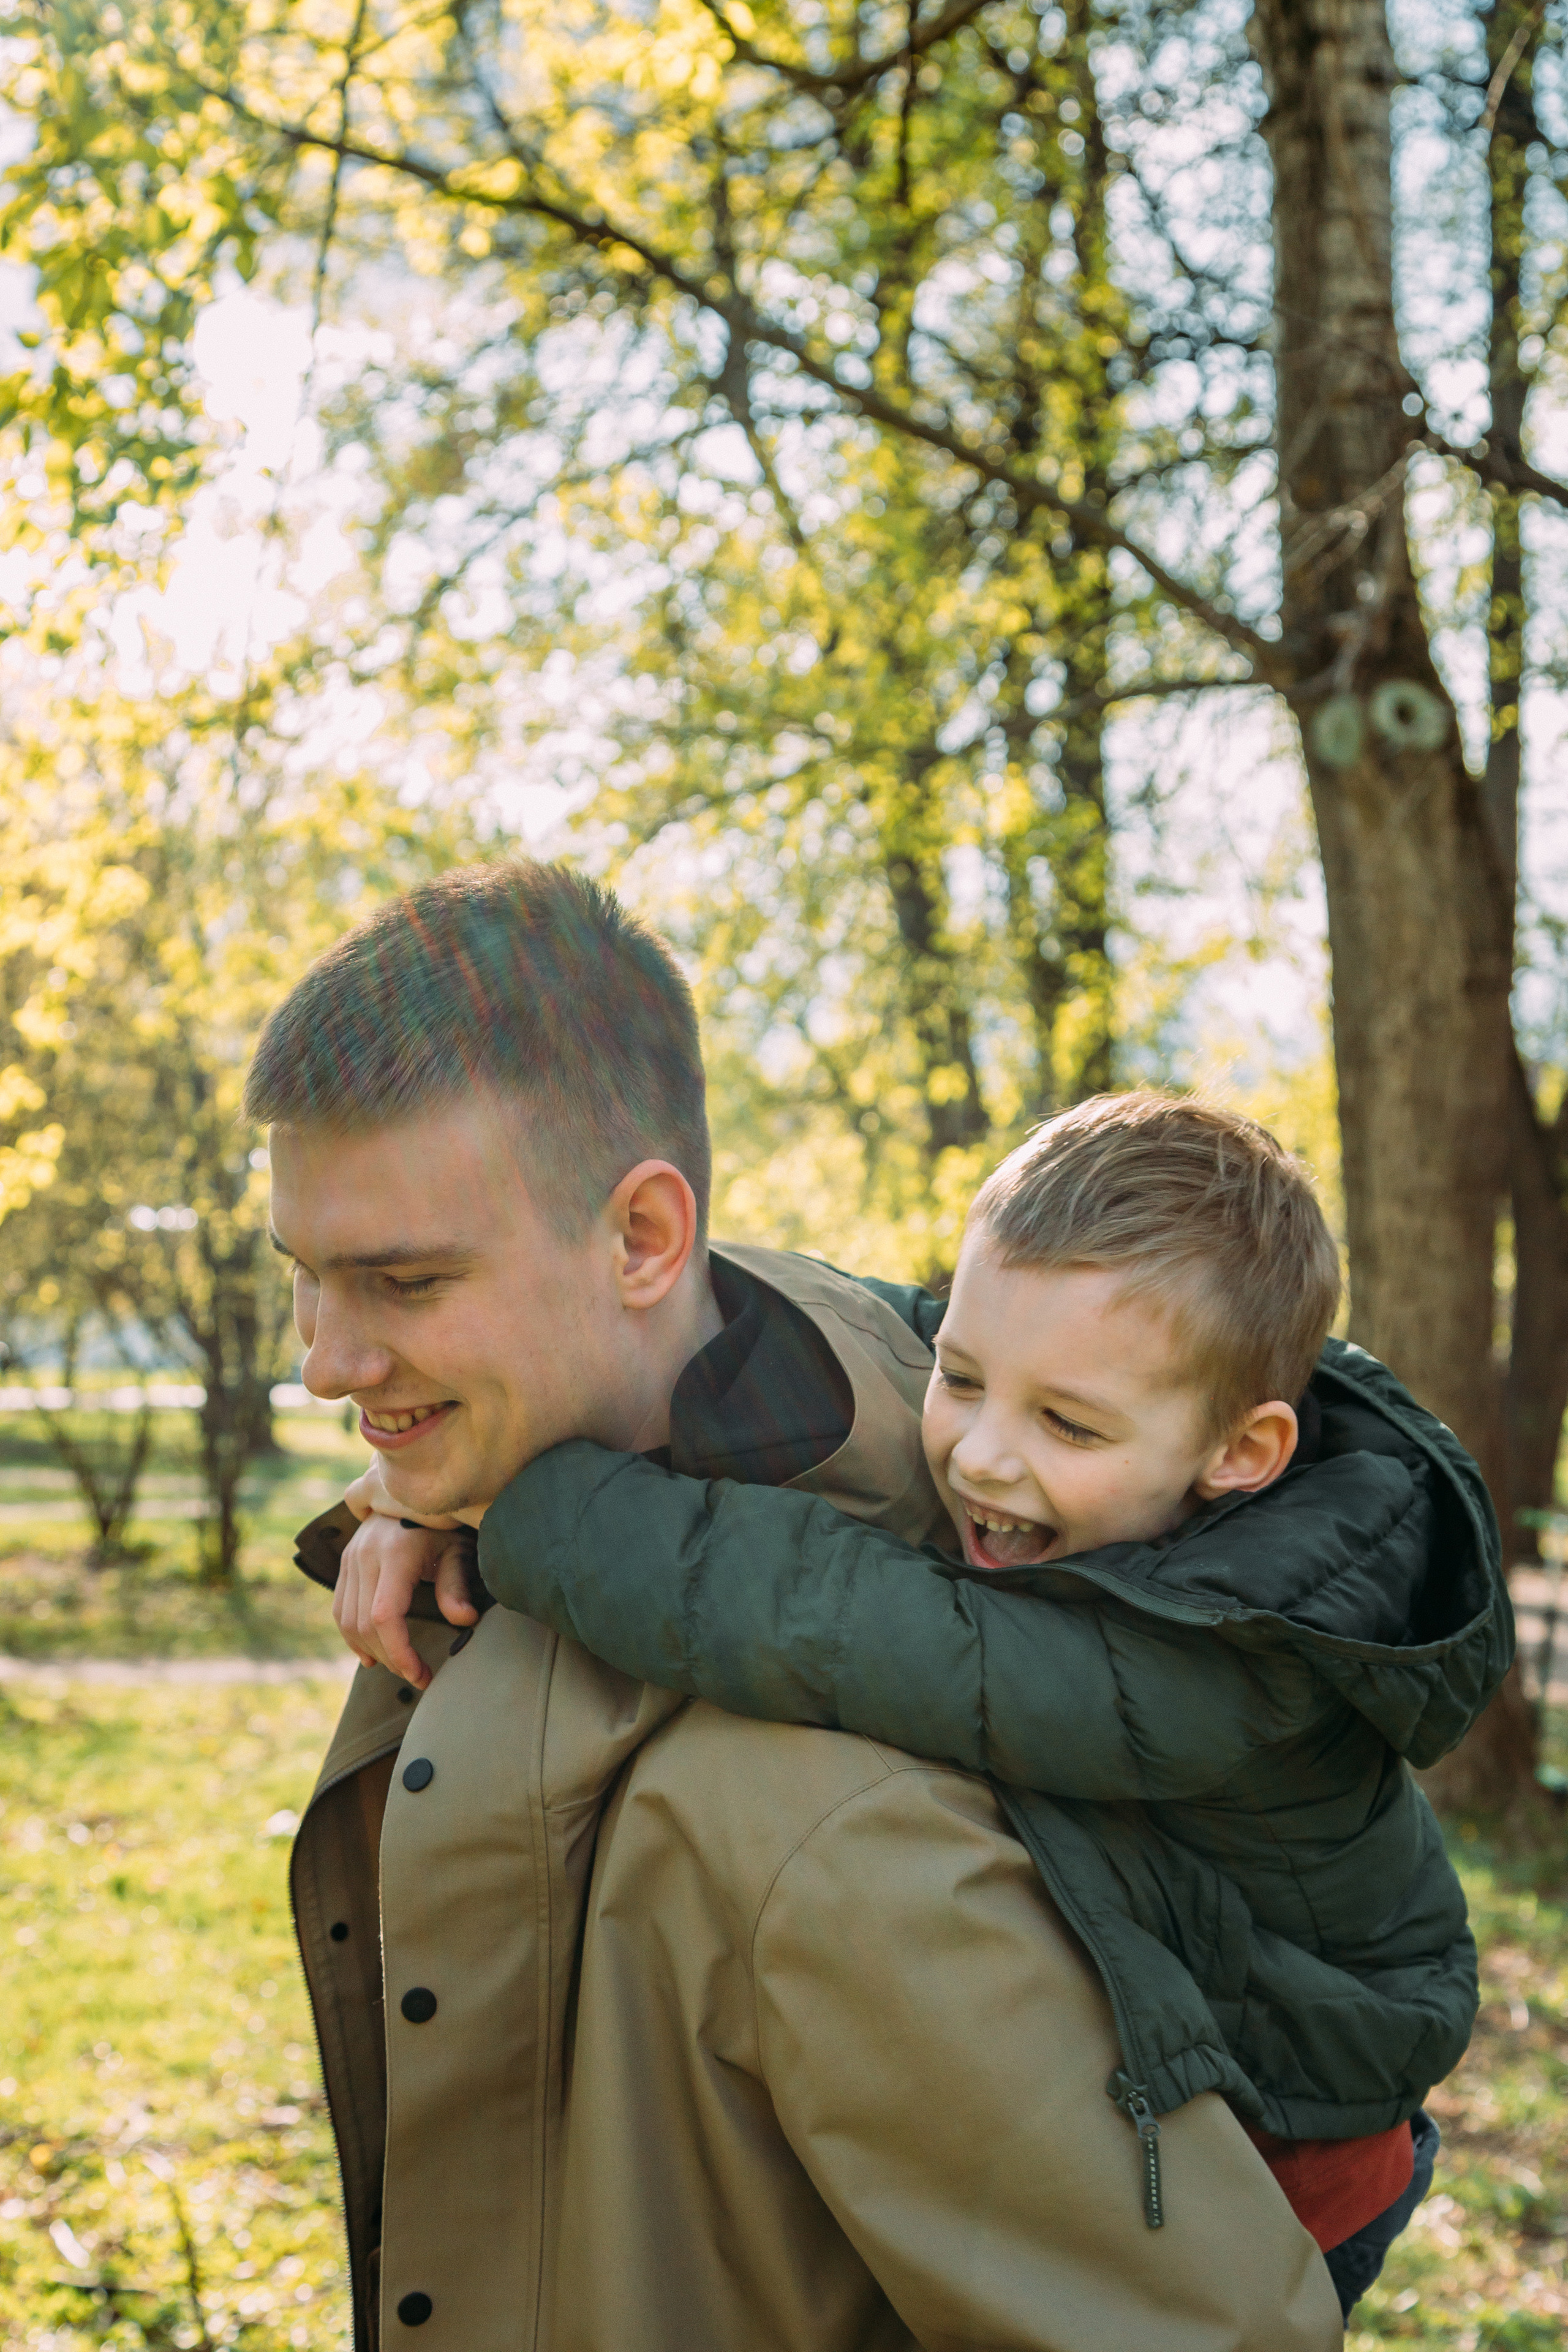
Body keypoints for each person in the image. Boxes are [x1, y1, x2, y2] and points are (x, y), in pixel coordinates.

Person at [255, 858, 1344, 2351]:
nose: (323, 1359)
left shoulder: (817, 1818)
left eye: (402, 1282)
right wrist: (427, 1493)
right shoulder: (523, 1472)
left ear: (644, 1238)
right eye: (306, 1275)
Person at [349, 1090, 1514, 2327]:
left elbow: (829, 1618)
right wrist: (474, 1426)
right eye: (961, 1376)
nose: (979, 1456)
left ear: (1240, 1453)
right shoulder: (1118, 1431)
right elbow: (853, 1328)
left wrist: (520, 1511)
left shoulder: (1208, 1670)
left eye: (1065, 1422)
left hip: (1293, 2157)